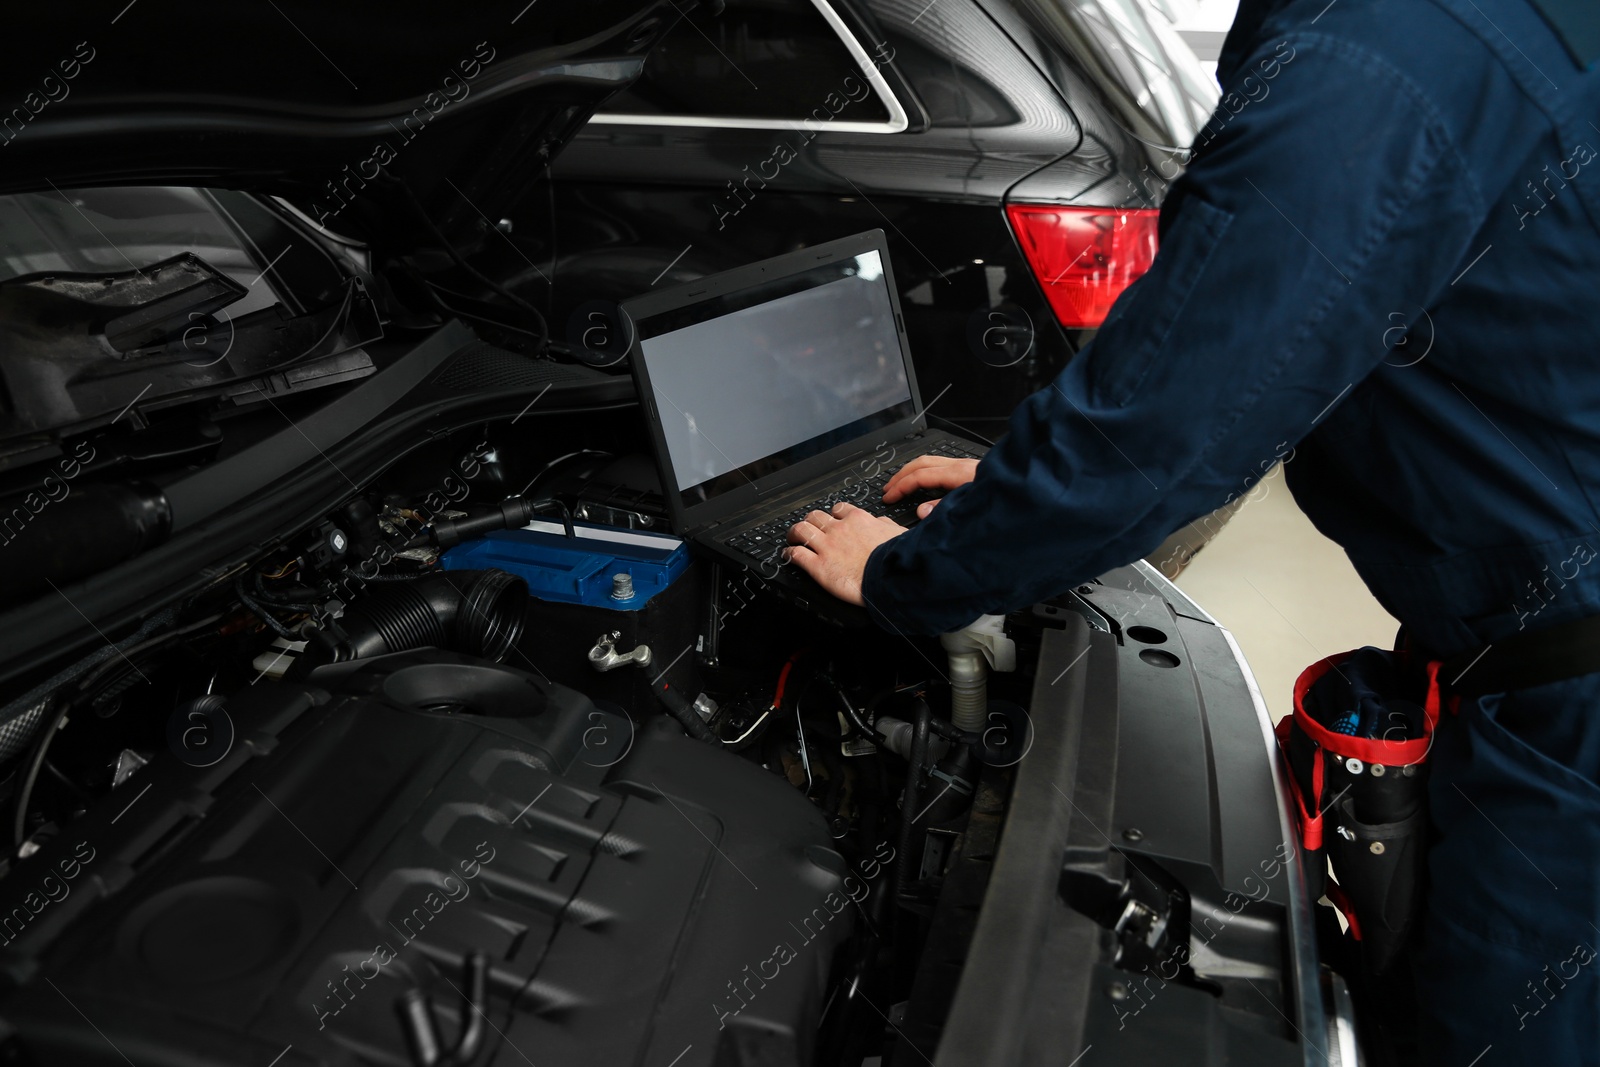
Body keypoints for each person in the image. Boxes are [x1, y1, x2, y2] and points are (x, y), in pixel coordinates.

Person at [782, 0, 1600, 1061]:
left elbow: (1180, 407)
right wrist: (1021, 494)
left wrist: (914, 573)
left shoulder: (1383, 58)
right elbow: (1281, 353)